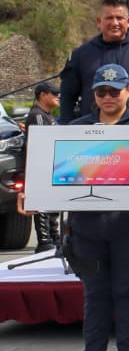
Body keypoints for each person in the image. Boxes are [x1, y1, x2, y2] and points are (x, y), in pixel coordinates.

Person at [18, 64, 129, 351]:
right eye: (101, 91)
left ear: (128, 92)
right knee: (95, 293)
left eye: (114, 90)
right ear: (94, 94)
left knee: (128, 291)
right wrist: (32, 193)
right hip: (88, 227)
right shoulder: (73, 130)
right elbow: (46, 167)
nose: (108, 97)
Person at [59, 0, 129, 124]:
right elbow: (67, 97)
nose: (115, 23)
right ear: (99, 21)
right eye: (109, 18)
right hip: (90, 131)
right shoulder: (80, 54)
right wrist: (66, 130)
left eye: (120, 18)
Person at [24, 81, 60, 253]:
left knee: (52, 203)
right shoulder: (37, 115)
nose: (58, 96)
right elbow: (41, 141)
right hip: (41, 165)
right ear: (43, 95)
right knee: (43, 202)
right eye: (54, 93)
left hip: (52, 164)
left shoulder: (48, 116)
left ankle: (54, 236)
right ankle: (44, 239)